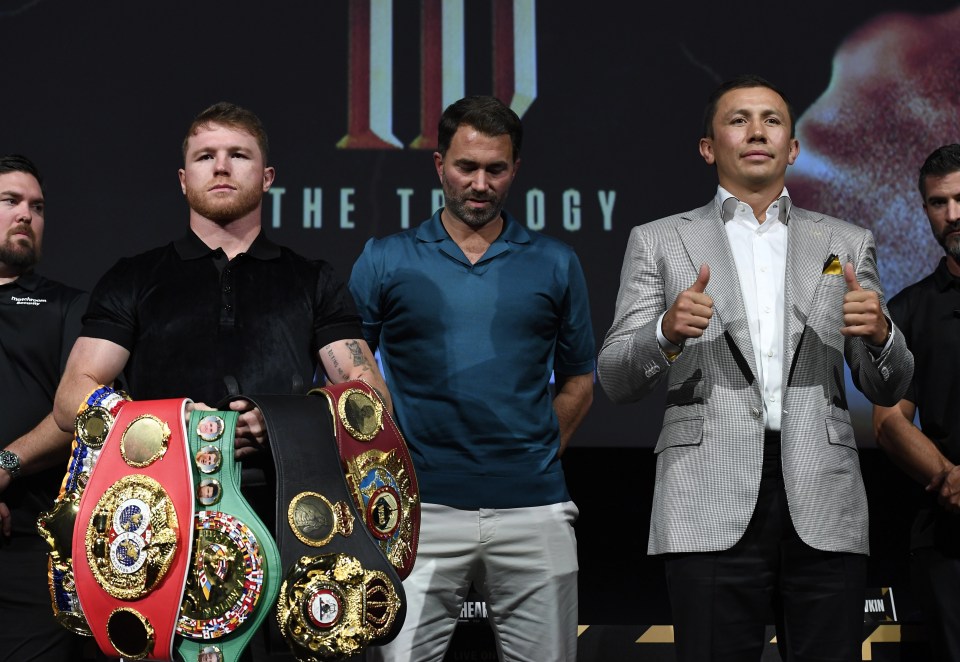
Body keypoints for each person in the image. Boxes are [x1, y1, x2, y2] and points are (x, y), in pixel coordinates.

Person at [52, 102, 390, 660]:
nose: (222, 167)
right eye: (205, 157)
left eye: (239, 155)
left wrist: (280, 424)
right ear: (184, 180)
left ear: (267, 176)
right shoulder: (135, 276)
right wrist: (177, 431)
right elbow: (72, 397)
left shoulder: (313, 280)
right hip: (163, 523)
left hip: (292, 516)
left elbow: (370, 396)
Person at [597, 75, 914, 661]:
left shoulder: (845, 242)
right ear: (708, 147)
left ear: (792, 147)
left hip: (823, 493)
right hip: (706, 494)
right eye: (738, 119)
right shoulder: (661, 241)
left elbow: (887, 383)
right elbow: (615, 378)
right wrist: (664, 332)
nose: (757, 131)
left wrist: (882, 336)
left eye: (771, 120)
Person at [349, 95, 595, 662]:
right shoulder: (385, 259)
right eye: (466, 167)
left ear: (516, 170)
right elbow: (347, 369)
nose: (480, 183)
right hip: (418, 512)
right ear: (440, 166)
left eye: (496, 169)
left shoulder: (556, 262)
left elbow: (580, 379)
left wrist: (536, 454)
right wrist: (392, 465)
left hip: (535, 511)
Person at [873, 144, 960, 661]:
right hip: (950, 538)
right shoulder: (908, 309)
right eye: (938, 203)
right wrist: (951, 478)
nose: (954, 215)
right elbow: (888, 422)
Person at [0, 154, 87, 661]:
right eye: (10, 201)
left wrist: (5, 465)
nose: (26, 215)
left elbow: (84, 414)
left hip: (32, 545)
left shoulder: (68, 307)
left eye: (36, 206)